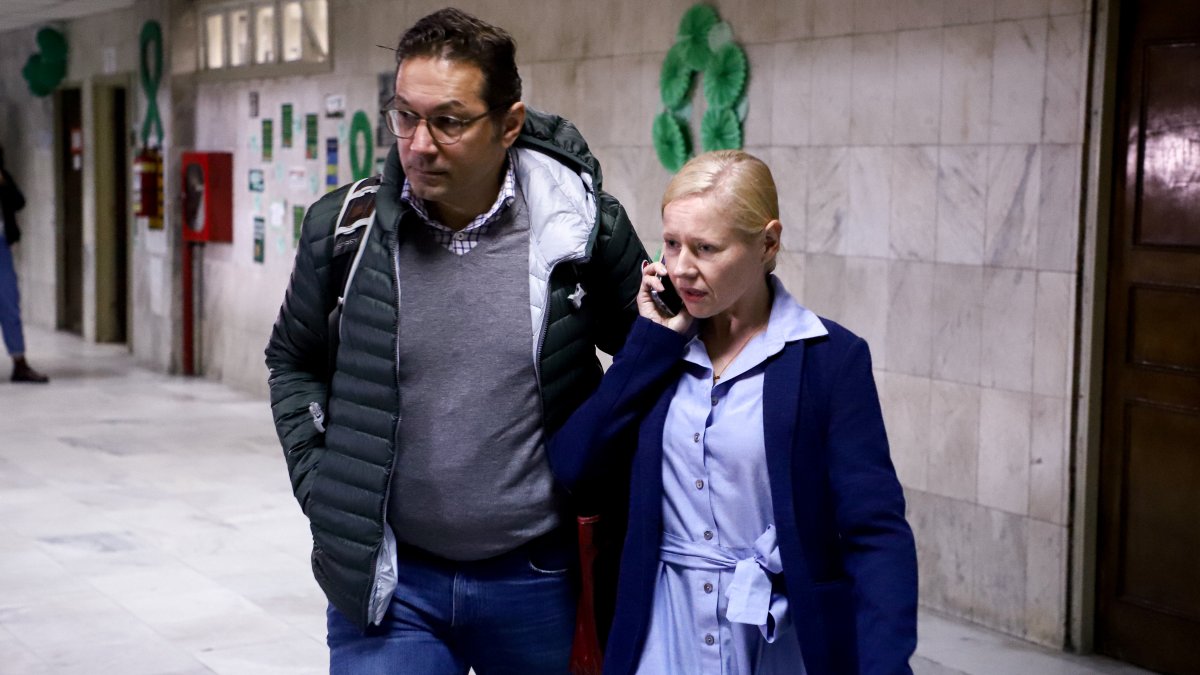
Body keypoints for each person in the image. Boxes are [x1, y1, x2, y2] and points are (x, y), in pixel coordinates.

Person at [264, 8, 647, 674]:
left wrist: (601, 470)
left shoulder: (581, 231)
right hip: (393, 581)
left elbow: (649, 358)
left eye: (448, 120)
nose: (418, 143)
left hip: (539, 576)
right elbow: (293, 359)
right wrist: (323, 484)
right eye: (404, 116)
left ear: (509, 124)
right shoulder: (345, 229)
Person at [549, 150, 918, 674]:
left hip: (776, 636)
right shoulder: (659, 352)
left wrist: (884, 662)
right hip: (660, 631)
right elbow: (574, 468)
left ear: (768, 242)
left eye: (705, 248)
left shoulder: (829, 358)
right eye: (671, 243)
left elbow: (874, 530)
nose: (680, 268)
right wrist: (648, 346)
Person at [0, 144, 49, 384]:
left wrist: (3, 182)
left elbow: (19, 202)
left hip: (0, 247)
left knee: (10, 304)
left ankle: (19, 362)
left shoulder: (2, 176)